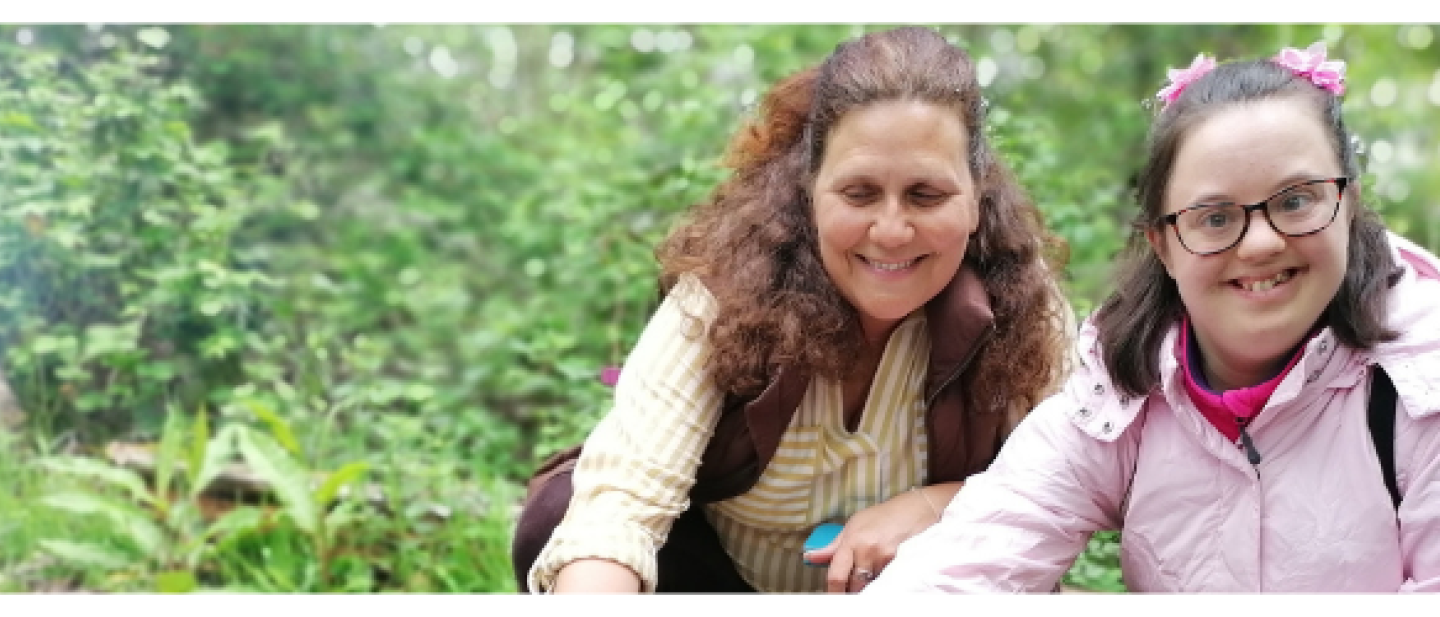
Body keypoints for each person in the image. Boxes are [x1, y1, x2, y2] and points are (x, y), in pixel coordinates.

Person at [509, 25, 1076, 594]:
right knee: (559, 513)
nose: (891, 230)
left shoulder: (1024, 310)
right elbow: (622, 503)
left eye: (927, 195)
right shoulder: (724, 297)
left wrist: (934, 504)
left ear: (976, 198)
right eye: (858, 193)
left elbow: (1061, 491)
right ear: (811, 192)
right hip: (725, 586)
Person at [864, 41, 1440, 593]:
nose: (1261, 243)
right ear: (1163, 245)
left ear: (1349, 204)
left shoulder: (1420, 383)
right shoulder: (1121, 393)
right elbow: (984, 549)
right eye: (1214, 217)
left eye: (1295, 201)